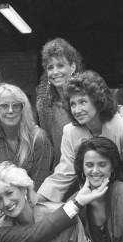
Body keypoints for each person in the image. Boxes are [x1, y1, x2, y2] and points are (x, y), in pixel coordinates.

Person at [37, 70, 123, 205]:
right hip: (112, 183)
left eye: (83, 102)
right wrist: (36, 199)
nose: (77, 109)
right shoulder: (70, 132)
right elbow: (63, 174)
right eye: (73, 104)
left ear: (97, 101)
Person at [0, 83, 53, 190]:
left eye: (16, 105)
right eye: (4, 106)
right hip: (0, 200)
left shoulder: (39, 139)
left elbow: (39, 185)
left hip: (34, 201)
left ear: (23, 109)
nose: (10, 110)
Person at [36, 37, 82, 166]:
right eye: (50, 67)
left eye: (60, 65)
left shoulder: (86, 95)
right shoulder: (44, 104)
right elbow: (48, 144)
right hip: (61, 169)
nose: (55, 72)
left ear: (72, 67)